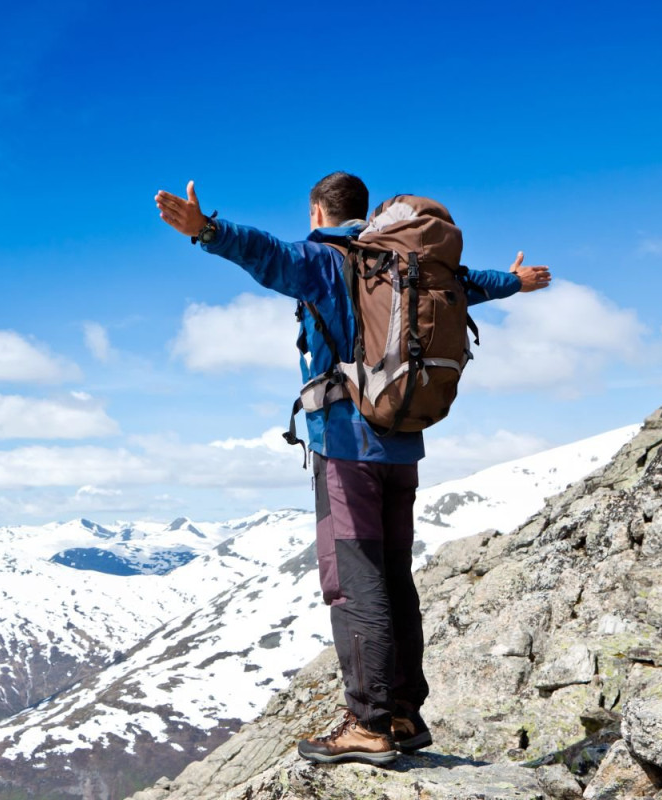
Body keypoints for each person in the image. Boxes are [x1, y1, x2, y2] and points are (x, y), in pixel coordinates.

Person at [154, 172, 551, 765]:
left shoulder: (327, 259)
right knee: (394, 577)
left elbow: (263, 252)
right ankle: (404, 716)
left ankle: (367, 724)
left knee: (354, 580)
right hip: (404, 443)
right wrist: (516, 283)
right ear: (363, 213)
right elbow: (467, 285)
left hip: (347, 449)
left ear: (317, 210)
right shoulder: (402, 263)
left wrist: (206, 230)